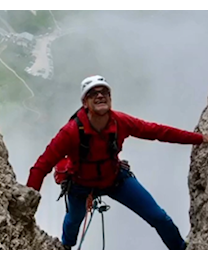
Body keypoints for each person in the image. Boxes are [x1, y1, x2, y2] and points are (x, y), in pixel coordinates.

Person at [26, 75, 208, 250]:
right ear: (85, 103)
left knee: (158, 217)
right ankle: (66, 246)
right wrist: (25, 208)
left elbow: (158, 132)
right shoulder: (71, 132)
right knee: (74, 221)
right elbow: (41, 166)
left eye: (104, 92)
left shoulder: (120, 122)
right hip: (81, 184)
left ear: (110, 99)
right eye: (93, 93)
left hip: (114, 179)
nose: (99, 95)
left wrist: (199, 138)